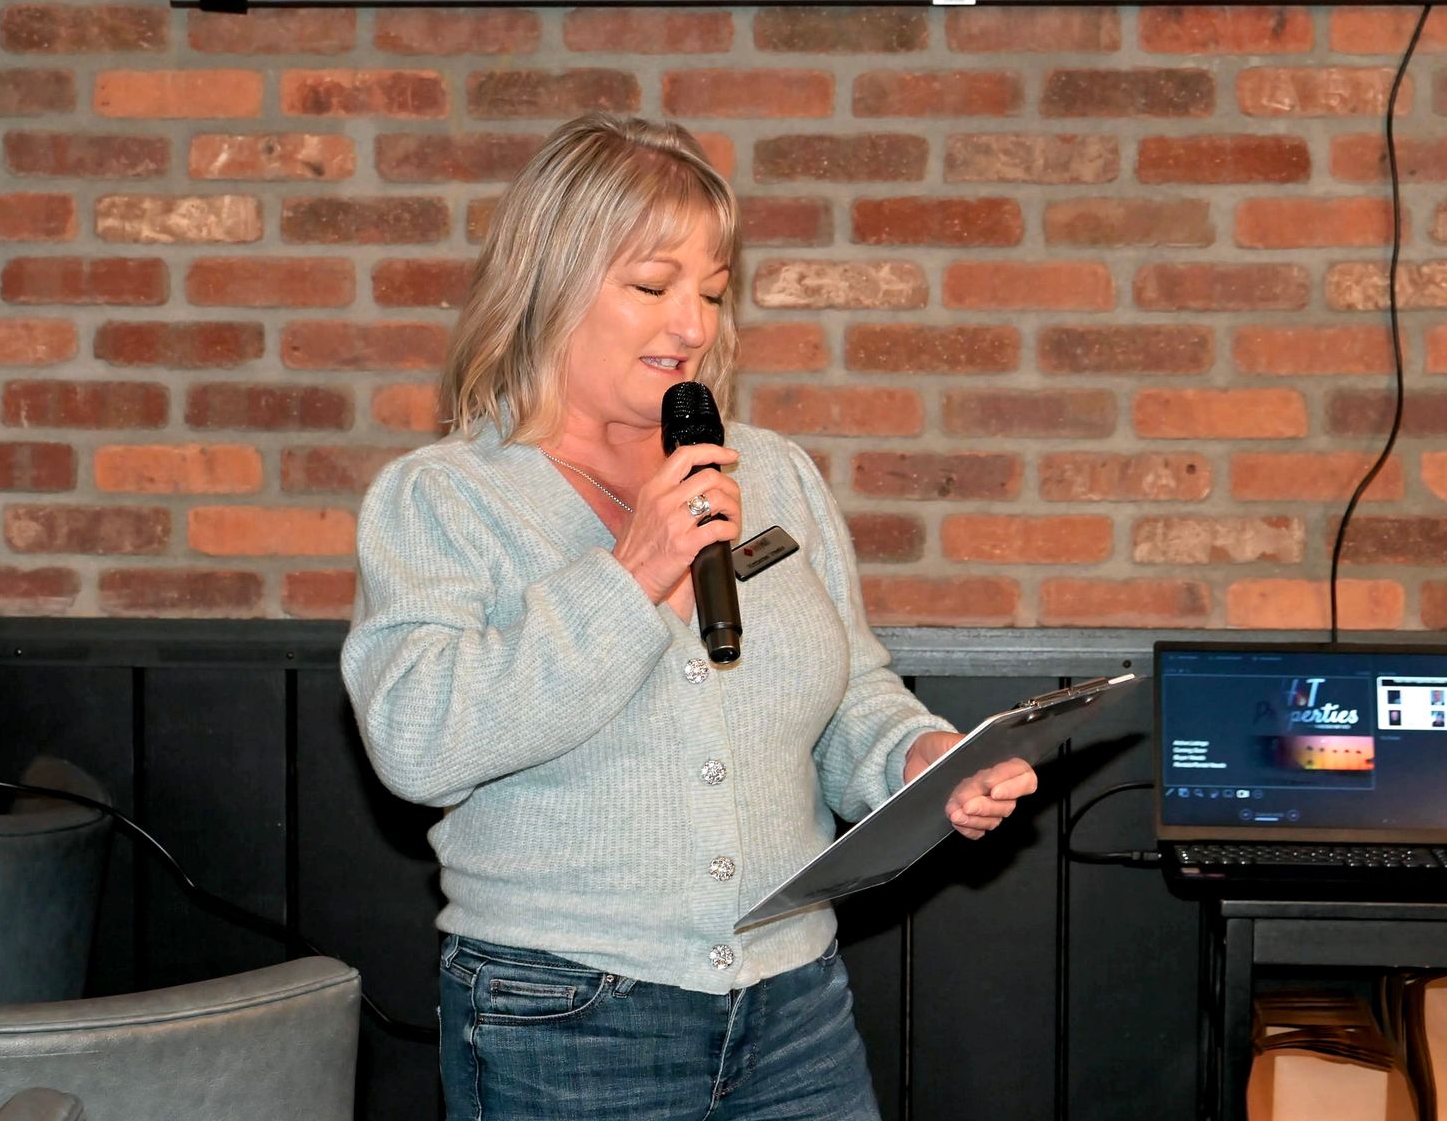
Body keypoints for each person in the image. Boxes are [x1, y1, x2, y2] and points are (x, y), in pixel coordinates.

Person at [340, 113, 1037, 1121]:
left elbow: (851, 694)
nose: (693, 326)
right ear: (551, 281)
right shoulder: (445, 497)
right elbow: (417, 744)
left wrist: (917, 760)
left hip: (794, 1005)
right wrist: (632, 576)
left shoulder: (773, 473)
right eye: (652, 286)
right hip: (566, 1019)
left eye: (710, 292)